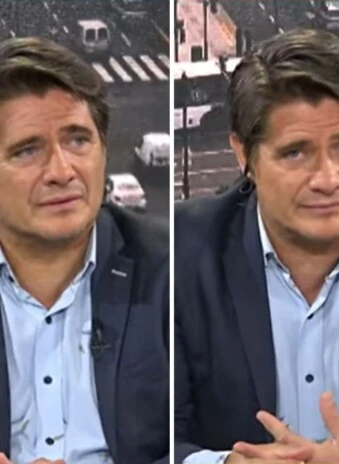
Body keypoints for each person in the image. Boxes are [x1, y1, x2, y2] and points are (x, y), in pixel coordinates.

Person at [174, 28, 339, 464]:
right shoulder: (184, 253)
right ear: (244, 157)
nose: (328, 179)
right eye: (295, 153)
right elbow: (150, 439)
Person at [0, 38, 169, 464]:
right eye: (27, 150)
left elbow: (214, 442)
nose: (62, 171)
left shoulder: (174, 270)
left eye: (78, 141)